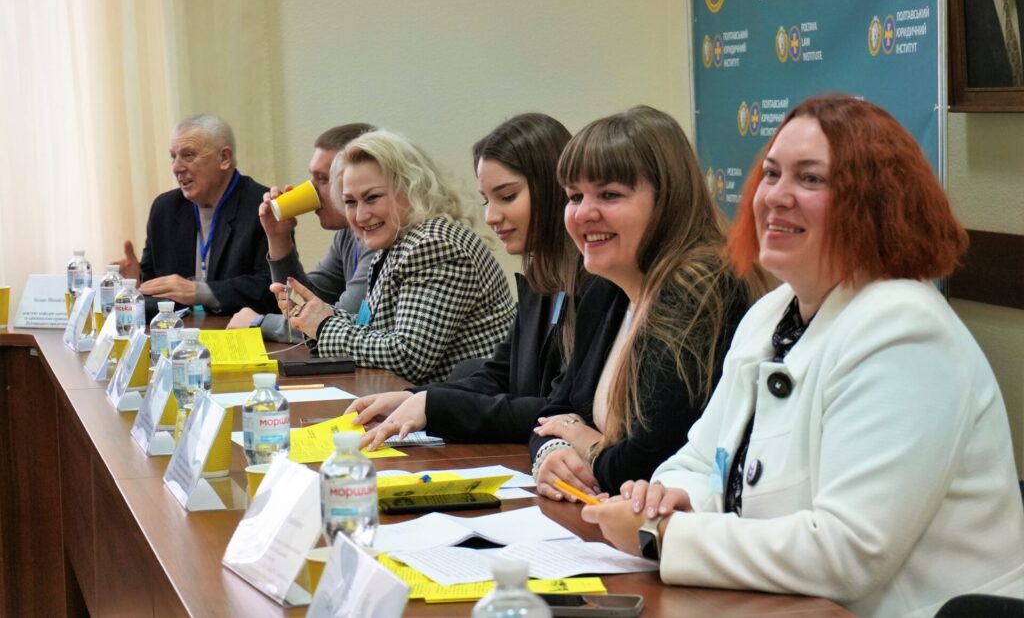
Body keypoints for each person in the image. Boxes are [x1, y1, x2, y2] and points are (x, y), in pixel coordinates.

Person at [581, 95, 1024, 618]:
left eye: (810, 179)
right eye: (771, 174)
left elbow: (846, 553)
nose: (776, 196)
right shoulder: (771, 314)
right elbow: (696, 461)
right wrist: (665, 499)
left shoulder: (904, 330)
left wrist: (667, 535)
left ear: (874, 202)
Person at [528, 106, 751, 502]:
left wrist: (581, 440)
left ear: (667, 200)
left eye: (609, 195)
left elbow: (645, 464)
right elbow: (552, 413)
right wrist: (553, 453)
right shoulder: (606, 287)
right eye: (574, 196)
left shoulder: (699, 289)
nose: (584, 213)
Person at [350, 113, 578, 449]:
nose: (491, 216)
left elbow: (562, 410)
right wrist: (411, 397)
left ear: (553, 190)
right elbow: (500, 374)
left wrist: (434, 405)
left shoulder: (593, 283)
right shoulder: (542, 276)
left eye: (507, 197)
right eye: (486, 200)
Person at [279, 129, 515, 385]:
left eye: (372, 198)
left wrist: (324, 326)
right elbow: (376, 329)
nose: (360, 216)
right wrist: (317, 314)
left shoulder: (433, 245)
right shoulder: (397, 242)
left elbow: (408, 357)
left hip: (464, 405)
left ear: (412, 188)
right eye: (350, 202)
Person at [226, 123, 379, 341]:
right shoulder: (347, 234)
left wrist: (258, 323)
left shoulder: (378, 237)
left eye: (323, 179)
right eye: (312, 178)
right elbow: (305, 303)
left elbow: (340, 324)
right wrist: (279, 237)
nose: (310, 189)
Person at [116, 114, 276, 316]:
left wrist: (200, 292)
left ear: (224, 158)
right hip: (180, 332)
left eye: (188, 155)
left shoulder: (262, 207)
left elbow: (270, 289)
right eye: (173, 157)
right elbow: (155, 283)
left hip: (238, 331)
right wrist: (136, 282)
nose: (176, 167)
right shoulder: (165, 209)